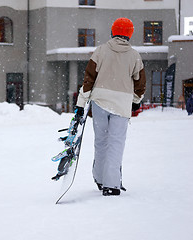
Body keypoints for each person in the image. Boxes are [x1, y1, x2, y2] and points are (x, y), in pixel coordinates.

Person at [75, 17, 146, 196]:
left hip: (100, 102)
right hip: (122, 106)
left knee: (101, 142)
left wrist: (81, 104)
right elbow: (140, 84)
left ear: (113, 31)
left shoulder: (100, 51)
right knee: (116, 143)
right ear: (130, 33)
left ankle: (99, 178)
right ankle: (112, 184)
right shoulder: (134, 56)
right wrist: (135, 101)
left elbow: (88, 79)